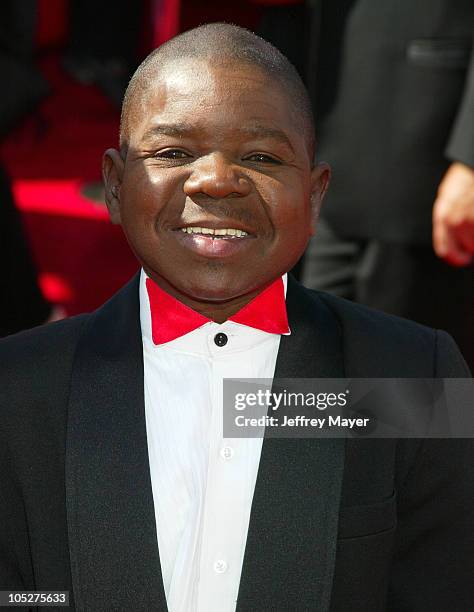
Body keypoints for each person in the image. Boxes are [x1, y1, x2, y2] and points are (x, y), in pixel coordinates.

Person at [0, 23, 473, 612]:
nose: (217, 180)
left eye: (261, 156)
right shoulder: (19, 387)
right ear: (116, 187)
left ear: (315, 195)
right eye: (174, 152)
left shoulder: (414, 377)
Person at [296, 0, 474, 370]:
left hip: (424, 166)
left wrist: (471, 159)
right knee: (313, 393)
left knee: (419, 397)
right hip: (312, 165)